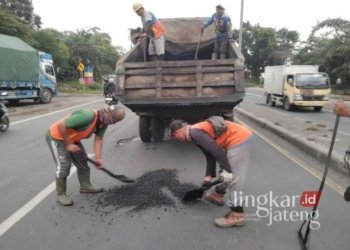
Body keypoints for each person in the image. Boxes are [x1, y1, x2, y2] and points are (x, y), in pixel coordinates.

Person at [170, 117, 253, 228]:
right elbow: (210, 155)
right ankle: (218, 194)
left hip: (239, 139)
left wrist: (227, 169)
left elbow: (216, 149)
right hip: (234, 138)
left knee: (235, 178)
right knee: (226, 173)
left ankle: (237, 216)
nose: (177, 139)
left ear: (178, 131)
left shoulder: (195, 133)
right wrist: (208, 176)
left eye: (175, 136)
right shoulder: (194, 133)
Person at [46, 105, 126, 206]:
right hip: (57, 137)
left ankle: (85, 186)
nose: (111, 123)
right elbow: (61, 125)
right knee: (64, 166)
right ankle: (61, 194)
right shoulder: (87, 116)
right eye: (112, 120)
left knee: (82, 161)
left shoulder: (103, 122)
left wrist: (98, 158)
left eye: (114, 122)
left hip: (72, 138)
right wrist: (68, 144)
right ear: (106, 112)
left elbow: (99, 139)